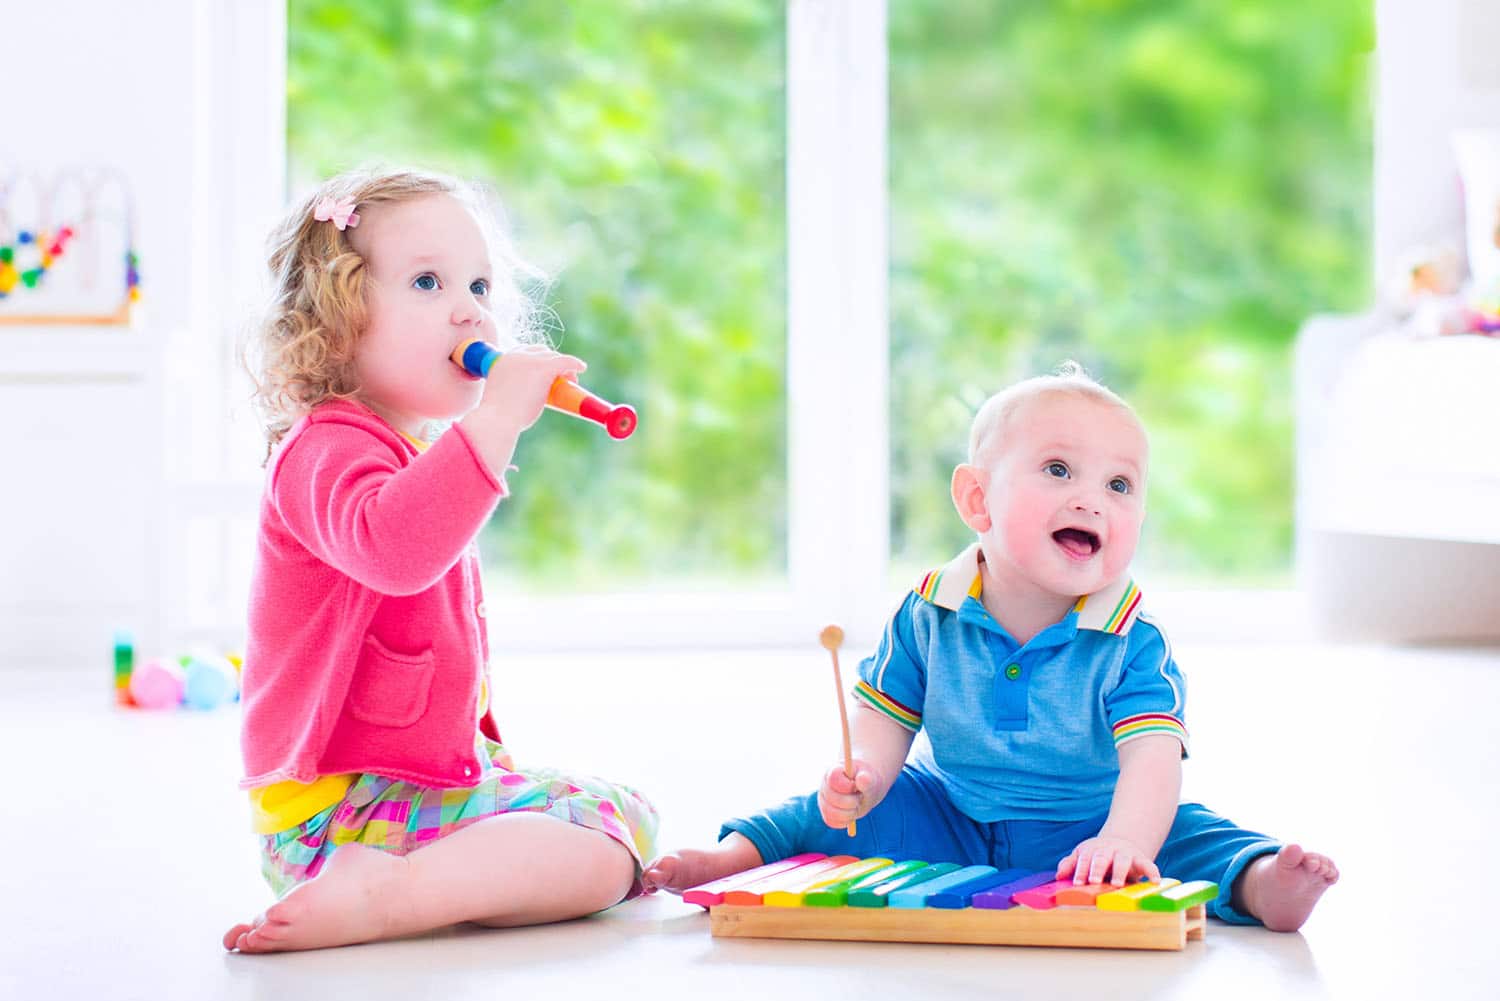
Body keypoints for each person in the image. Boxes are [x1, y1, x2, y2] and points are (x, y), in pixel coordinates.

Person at [644, 363, 1337, 932]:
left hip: (1092, 823)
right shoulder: (928, 612)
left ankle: (1264, 885)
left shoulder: (1131, 638)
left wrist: (1126, 841)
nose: (1093, 499)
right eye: (1059, 470)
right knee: (817, 813)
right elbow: (884, 721)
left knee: (1194, 838)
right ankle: (730, 857)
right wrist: (863, 781)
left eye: (1119, 484)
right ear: (978, 501)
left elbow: (1153, 761)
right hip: (954, 810)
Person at [223, 168, 657, 953]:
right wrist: (495, 421)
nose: (470, 309)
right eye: (429, 281)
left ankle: (420, 880)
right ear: (338, 317)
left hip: (399, 790)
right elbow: (397, 550)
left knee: (623, 814)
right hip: (333, 814)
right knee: (600, 840)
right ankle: (390, 893)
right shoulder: (322, 447)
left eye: (481, 284)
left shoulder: (398, 444)